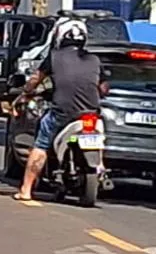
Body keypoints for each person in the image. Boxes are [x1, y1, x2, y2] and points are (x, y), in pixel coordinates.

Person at [12, 18, 108, 201]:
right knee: (98, 132)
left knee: (40, 145)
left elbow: (35, 80)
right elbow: (103, 88)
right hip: (90, 113)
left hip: (61, 112)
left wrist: (25, 93)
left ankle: (26, 190)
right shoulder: (94, 60)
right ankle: (100, 166)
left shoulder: (54, 57)